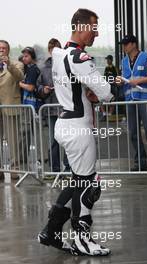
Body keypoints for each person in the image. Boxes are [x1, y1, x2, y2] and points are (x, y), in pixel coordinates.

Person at [38, 8, 114, 256]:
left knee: (78, 182)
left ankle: (51, 231)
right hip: (78, 127)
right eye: (93, 28)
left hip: (66, 122)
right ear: (81, 27)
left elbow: (74, 87)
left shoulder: (60, 54)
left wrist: (86, 92)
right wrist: (105, 90)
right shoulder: (79, 58)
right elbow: (106, 93)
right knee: (89, 185)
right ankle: (82, 239)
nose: (96, 33)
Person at [118, 35, 147, 171]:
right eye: (123, 44)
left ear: (134, 44)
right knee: (133, 133)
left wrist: (138, 81)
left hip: (145, 99)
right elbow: (124, 78)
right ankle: (140, 162)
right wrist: (119, 81)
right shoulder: (123, 61)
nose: (124, 47)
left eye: (126, 44)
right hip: (130, 100)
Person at [37, 38, 70, 175]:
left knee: (67, 141)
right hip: (50, 109)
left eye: (57, 48)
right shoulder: (44, 69)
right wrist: (43, 90)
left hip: (65, 109)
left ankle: (68, 169)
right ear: (49, 51)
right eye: (52, 49)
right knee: (53, 141)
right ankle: (54, 170)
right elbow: (38, 87)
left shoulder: (67, 65)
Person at [0, 40, 24, 181]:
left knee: (13, 141)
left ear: (8, 50)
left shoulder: (16, 64)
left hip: (10, 106)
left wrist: (8, 64)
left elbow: (20, 77)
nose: (1, 50)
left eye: (4, 48)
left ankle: (15, 169)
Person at [19, 47, 41, 163]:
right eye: (23, 56)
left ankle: (24, 159)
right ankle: (37, 158)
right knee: (29, 133)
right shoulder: (30, 68)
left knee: (26, 133)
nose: (24, 58)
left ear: (32, 57)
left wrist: (20, 84)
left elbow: (31, 87)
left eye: (26, 56)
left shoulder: (32, 69)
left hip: (31, 104)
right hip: (32, 105)